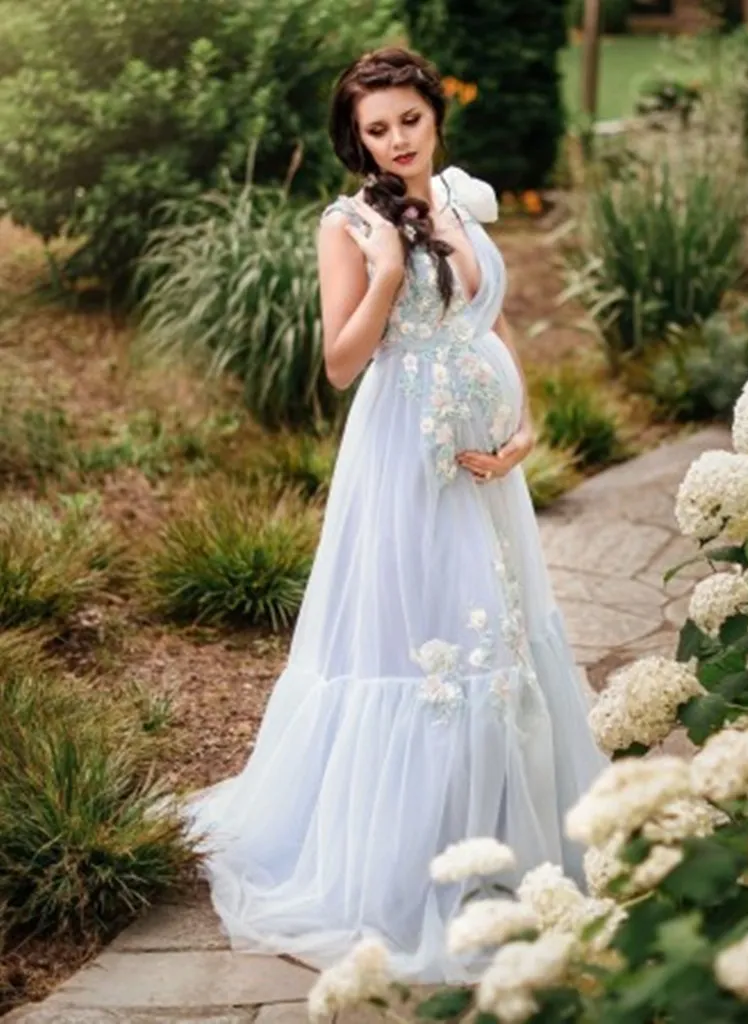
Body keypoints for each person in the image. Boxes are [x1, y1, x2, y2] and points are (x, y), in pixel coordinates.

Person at [188, 46, 607, 983]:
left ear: (434, 114)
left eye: (408, 121)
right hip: (407, 460)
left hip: (486, 462)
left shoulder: (462, 199)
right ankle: (409, 857)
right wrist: (383, 270)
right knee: (429, 646)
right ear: (358, 139)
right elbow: (341, 363)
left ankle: (506, 837)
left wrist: (525, 416)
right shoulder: (348, 223)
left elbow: (488, 318)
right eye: (376, 130)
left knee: (501, 637)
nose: (396, 141)